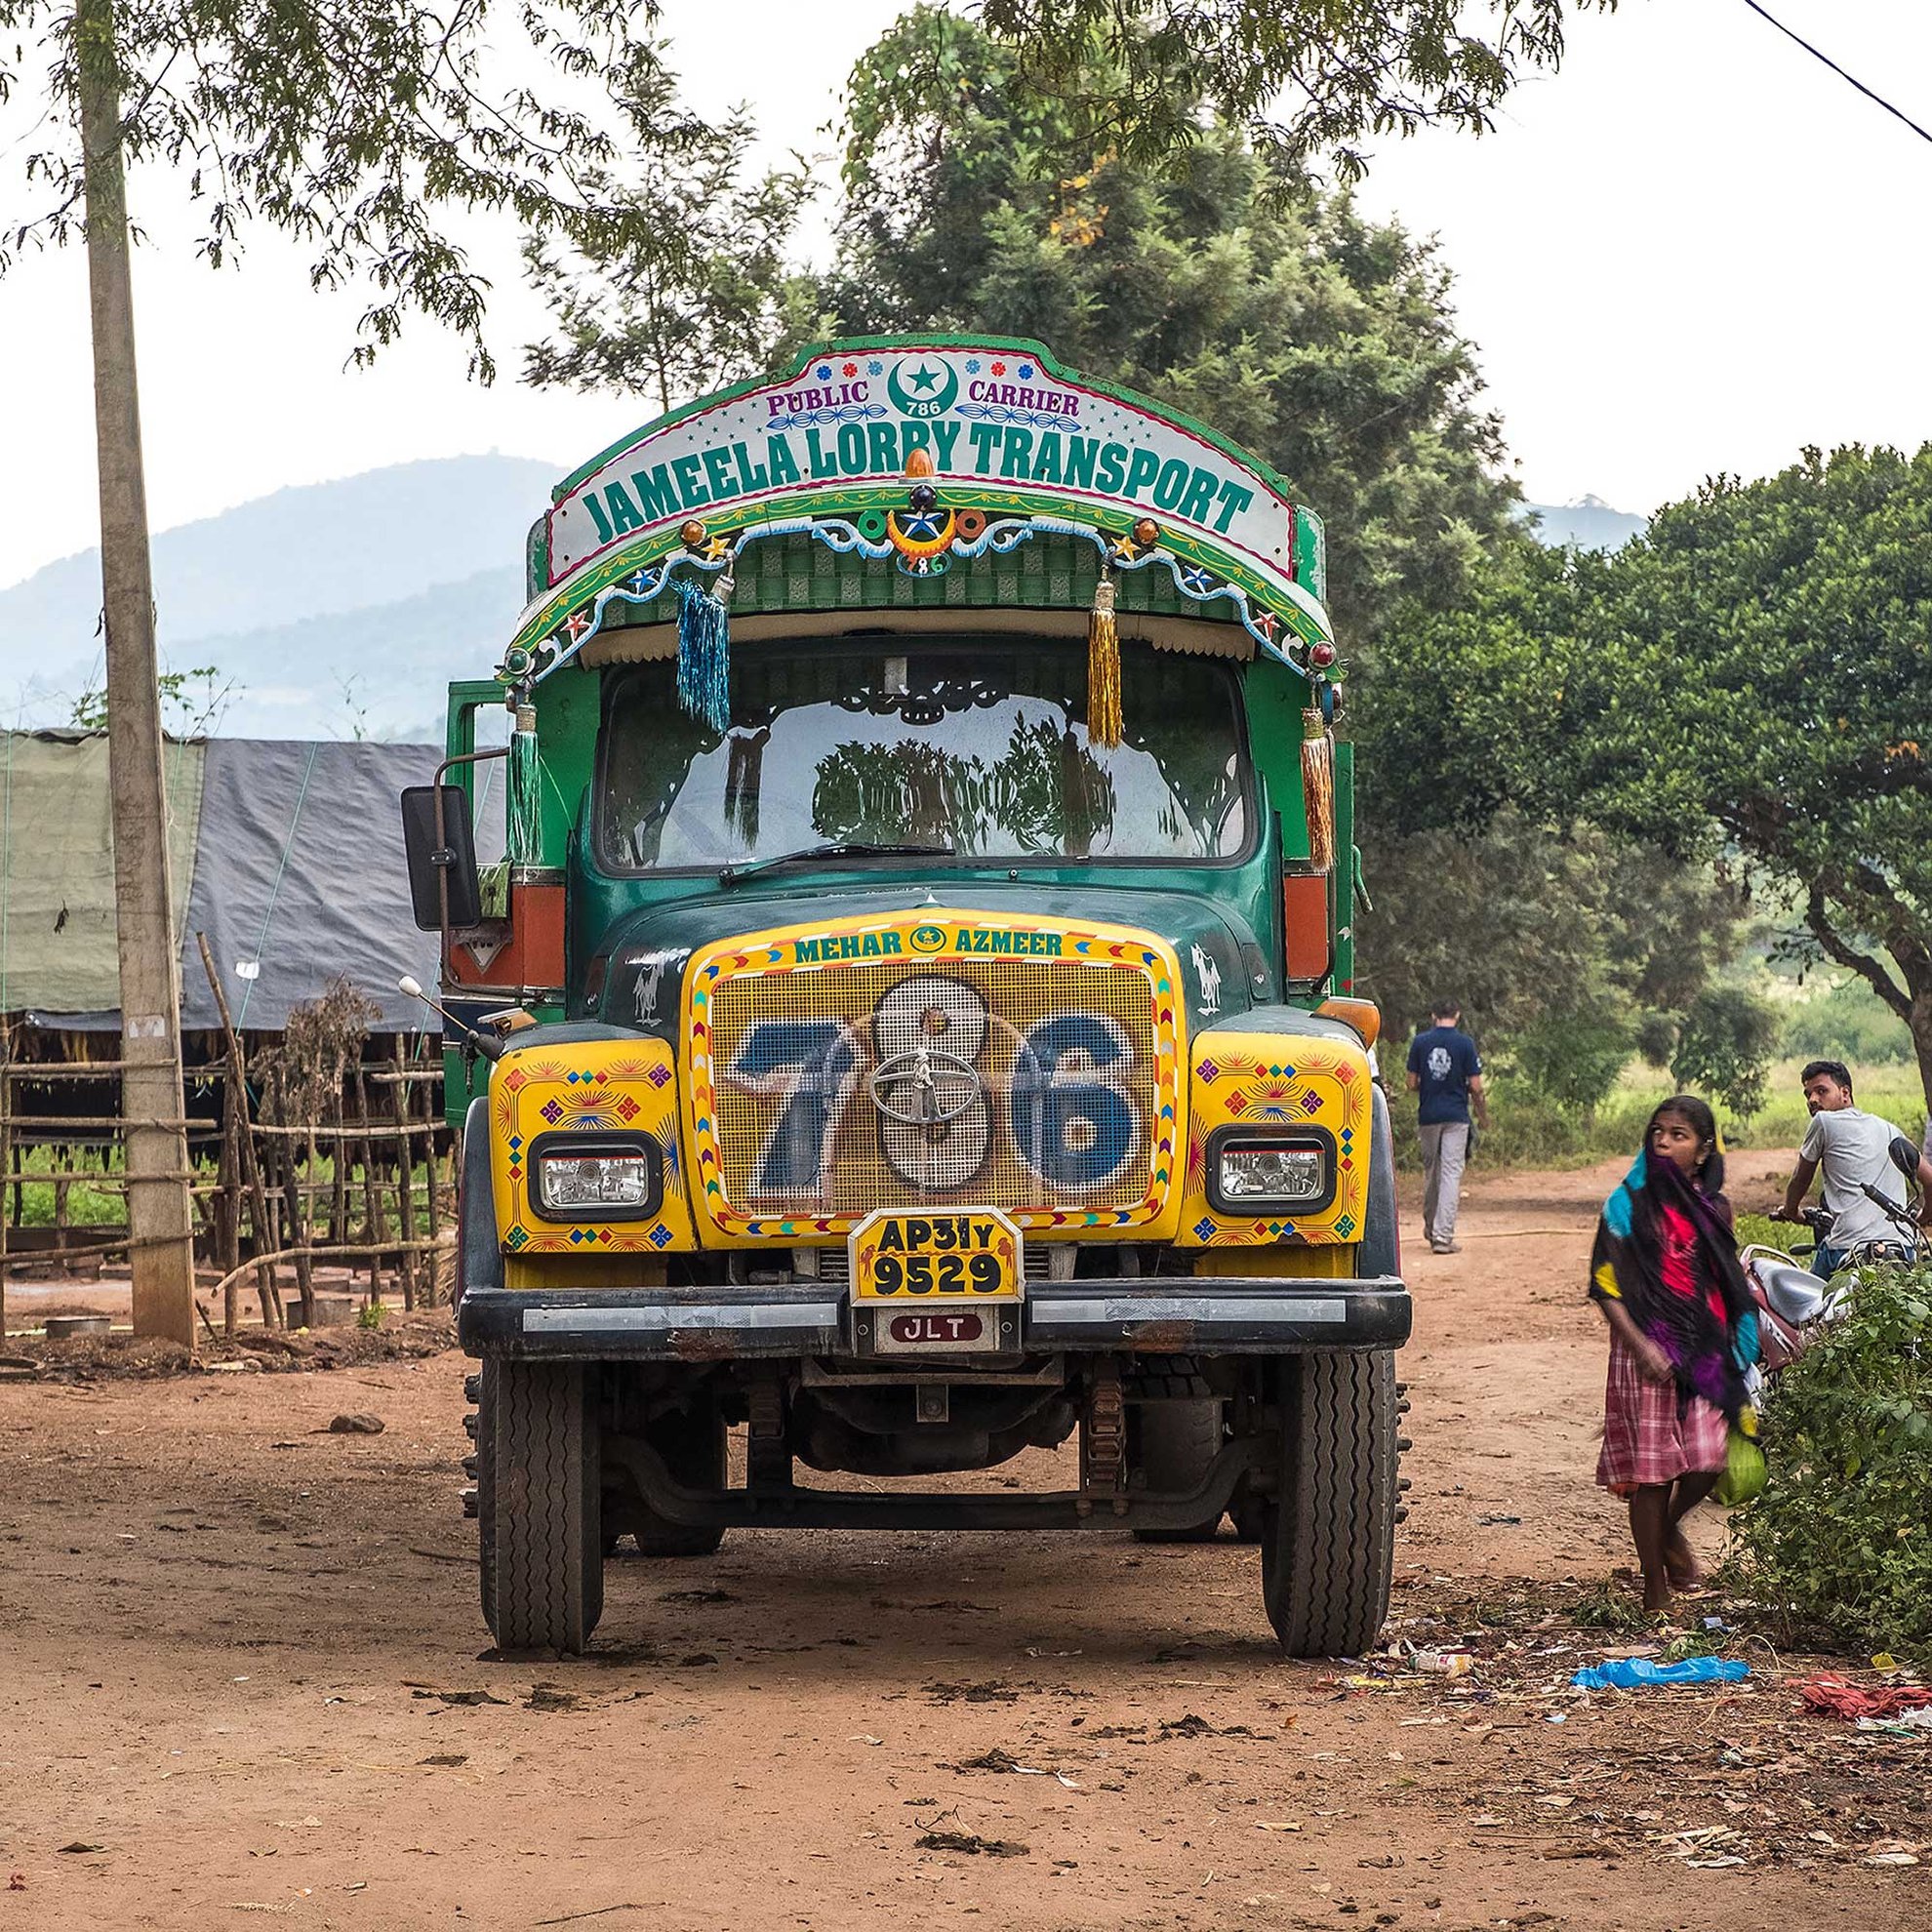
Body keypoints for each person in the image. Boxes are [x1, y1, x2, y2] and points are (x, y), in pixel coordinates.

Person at [1589, 1095, 1757, 1617]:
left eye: (1678, 1134)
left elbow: (1724, 1281)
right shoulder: (1626, 1204)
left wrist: (1738, 1347)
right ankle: (1653, 1591)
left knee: (1709, 1462)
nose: (1663, 1141)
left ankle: (1666, 1532)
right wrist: (1641, 1346)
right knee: (1654, 1473)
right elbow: (1604, 1283)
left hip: (1702, 1354)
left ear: (1704, 1150)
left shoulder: (1715, 1207)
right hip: (1645, 1351)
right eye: (1657, 1131)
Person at [1773, 1060, 1932, 1272]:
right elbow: (1929, 1179)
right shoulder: (1890, 1129)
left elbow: (1800, 1179)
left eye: (1821, 1091)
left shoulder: (1823, 1122)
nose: (1812, 1100)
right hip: (1902, 1248)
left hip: (1848, 1248)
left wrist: (1791, 1210)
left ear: (1845, 1093)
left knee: (1805, 1301)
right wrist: (1922, 1216)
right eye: (1808, 1094)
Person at [1405, 999, 1488, 1255]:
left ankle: (1431, 1229)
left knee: (1432, 1172)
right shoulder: (1465, 1044)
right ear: (1458, 1015)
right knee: (1451, 1173)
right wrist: (1482, 1114)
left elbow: (1411, 1082)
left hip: (1428, 1115)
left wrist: (1429, 1086)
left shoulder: (1420, 1042)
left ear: (1433, 1016)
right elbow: (1475, 1086)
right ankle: (1443, 1237)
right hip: (1456, 1116)